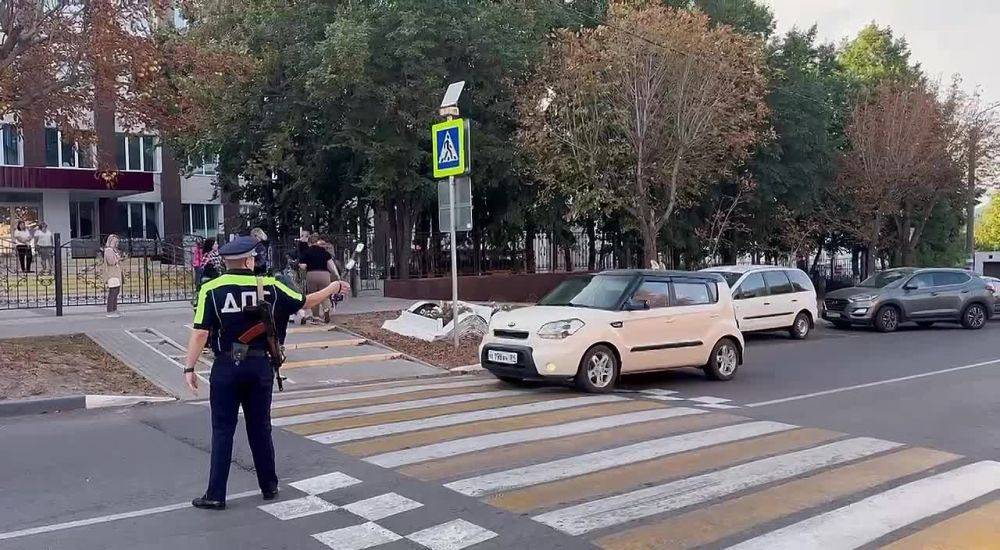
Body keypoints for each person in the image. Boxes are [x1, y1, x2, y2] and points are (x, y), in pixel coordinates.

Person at [182, 236, 349, 510]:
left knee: (222, 430)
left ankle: (215, 495)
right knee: (260, 427)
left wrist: (189, 367)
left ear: (225, 262)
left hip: (226, 367)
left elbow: (200, 331)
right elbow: (305, 302)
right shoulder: (270, 286)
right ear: (250, 260)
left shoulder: (211, 288)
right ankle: (269, 486)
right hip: (260, 367)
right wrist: (332, 286)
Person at [299, 234, 341, 324]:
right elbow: (331, 266)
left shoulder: (307, 252)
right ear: (317, 242)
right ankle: (326, 310)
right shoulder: (324, 252)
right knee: (325, 295)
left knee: (314, 296)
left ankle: (316, 317)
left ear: (309, 243)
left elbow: (303, 266)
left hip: (312, 275)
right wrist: (337, 276)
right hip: (325, 275)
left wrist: (300, 265)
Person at [102, 234, 123, 318]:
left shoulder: (114, 250)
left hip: (116, 273)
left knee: (116, 291)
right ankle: (110, 310)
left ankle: (114, 309)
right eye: (115, 241)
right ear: (110, 241)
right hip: (112, 273)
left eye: (117, 241)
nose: (116, 243)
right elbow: (111, 262)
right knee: (113, 292)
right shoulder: (108, 250)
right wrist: (117, 258)